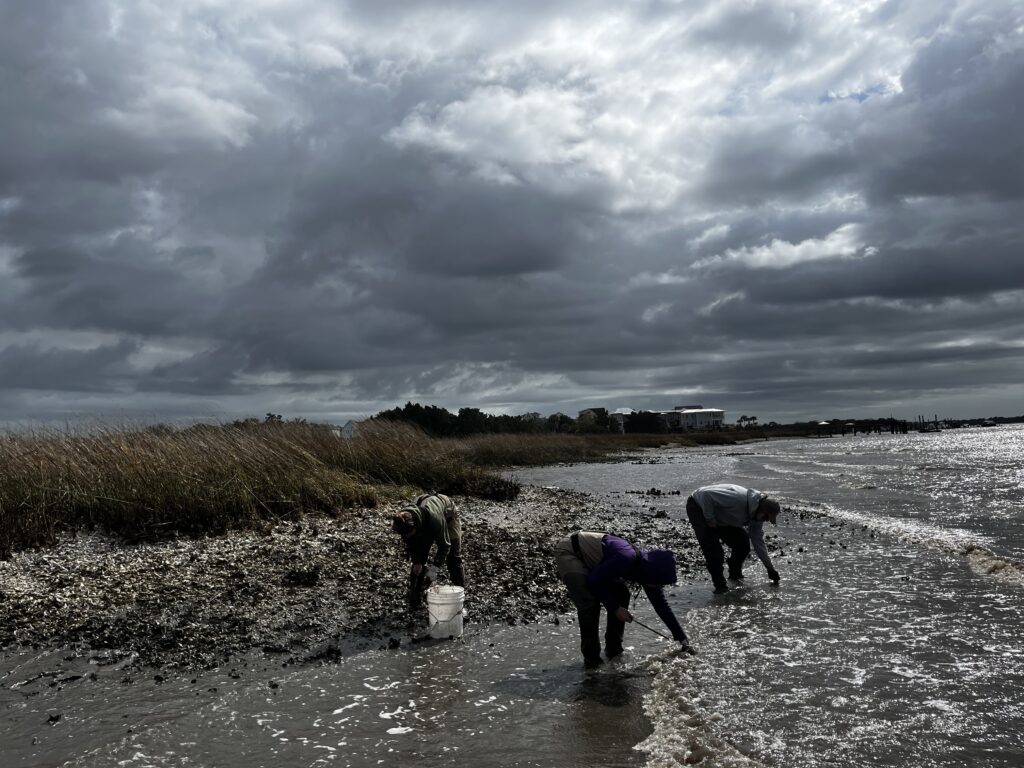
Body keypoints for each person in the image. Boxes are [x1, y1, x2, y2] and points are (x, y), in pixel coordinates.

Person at [554, 530, 693, 669]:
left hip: (594, 559)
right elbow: (594, 581)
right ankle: (592, 662)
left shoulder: (647, 571)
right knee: (589, 604)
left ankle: (614, 650)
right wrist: (615, 609)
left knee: (622, 594)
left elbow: (662, 606)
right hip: (570, 551)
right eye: (659, 583)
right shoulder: (626, 558)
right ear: (653, 574)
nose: (658, 587)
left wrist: (682, 639)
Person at [686, 483, 781, 593]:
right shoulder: (738, 499)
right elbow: (706, 495)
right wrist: (710, 518)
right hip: (698, 506)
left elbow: (758, 543)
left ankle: (735, 575)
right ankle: (720, 587)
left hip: (722, 515)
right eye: (766, 517)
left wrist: (770, 568)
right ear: (760, 509)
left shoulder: (756, 518)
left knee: (743, 544)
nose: (766, 520)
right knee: (714, 552)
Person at [391, 492, 465, 608]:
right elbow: (412, 545)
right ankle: (416, 596)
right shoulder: (403, 522)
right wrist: (417, 562)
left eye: (409, 534)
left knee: (453, 558)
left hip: (447, 514)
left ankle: (461, 596)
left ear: (415, 526)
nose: (407, 537)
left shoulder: (435, 520)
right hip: (423, 519)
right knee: (420, 560)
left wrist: (434, 569)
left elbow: (445, 545)